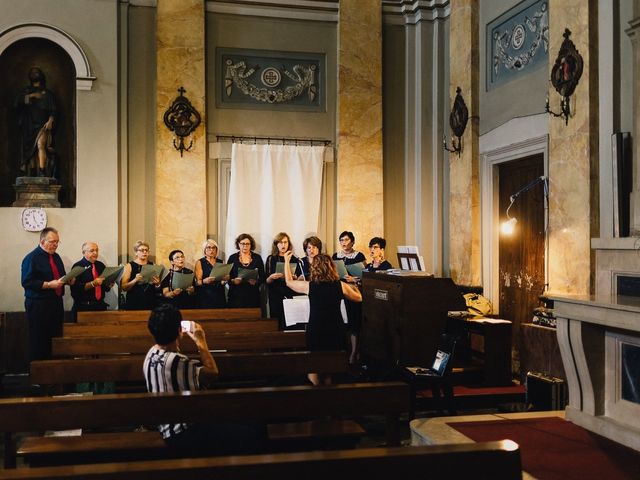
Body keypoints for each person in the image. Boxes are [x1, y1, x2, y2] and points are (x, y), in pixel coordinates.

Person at [143, 304, 262, 455]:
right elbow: (212, 373)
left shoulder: (151, 353)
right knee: (252, 433)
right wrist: (201, 341)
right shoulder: (178, 361)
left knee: (244, 422)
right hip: (183, 432)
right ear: (179, 331)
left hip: (167, 425)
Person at [284, 251, 362, 385]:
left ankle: (314, 396)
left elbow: (289, 282)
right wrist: (355, 285)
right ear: (332, 267)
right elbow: (359, 298)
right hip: (335, 329)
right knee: (331, 367)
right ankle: (329, 398)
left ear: (314, 268)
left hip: (316, 329)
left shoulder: (310, 286)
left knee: (314, 364)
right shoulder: (340, 285)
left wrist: (286, 261)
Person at [21, 227, 70, 360]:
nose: (55, 245)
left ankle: (53, 373)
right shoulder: (31, 258)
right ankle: (39, 376)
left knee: (55, 338)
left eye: (57, 242)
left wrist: (68, 279)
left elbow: (60, 276)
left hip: (55, 303)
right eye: (52, 241)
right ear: (42, 241)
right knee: (39, 339)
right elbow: (27, 282)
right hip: (39, 304)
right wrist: (49, 285)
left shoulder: (56, 257)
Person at [14, 67, 58, 178]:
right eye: (32, 72)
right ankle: (33, 172)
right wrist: (31, 96)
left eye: (37, 72)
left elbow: (53, 109)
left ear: (41, 75)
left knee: (40, 145)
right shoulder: (26, 91)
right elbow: (17, 104)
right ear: (30, 76)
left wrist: (50, 120)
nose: (35, 74)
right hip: (28, 124)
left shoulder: (47, 93)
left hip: (41, 124)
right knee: (31, 150)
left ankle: (42, 171)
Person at [332, 231, 366, 365]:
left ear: (352, 241)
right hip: (339, 292)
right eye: (341, 240)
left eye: (346, 240)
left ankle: (354, 353)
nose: (344, 243)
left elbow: (364, 275)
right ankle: (343, 352)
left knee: (354, 323)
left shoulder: (359, 255)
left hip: (353, 291)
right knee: (341, 323)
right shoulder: (336, 256)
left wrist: (354, 278)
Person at [265, 232, 302, 329]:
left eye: (285, 242)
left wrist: (294, 278)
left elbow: (297, 279)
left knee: (290, 321)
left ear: (289, 244)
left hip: (289, 293)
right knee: (276, 320)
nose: (283, 245)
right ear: (276, 244)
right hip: (275, 293)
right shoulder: (271, 259)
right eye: (280, 242)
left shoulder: (294, 259)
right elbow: (266, 281)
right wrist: (271, 277)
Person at [70, 242, 112, 317]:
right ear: (83, 252)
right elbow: (75, 289)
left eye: (97, 250)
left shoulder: (101, 265)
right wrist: (93, 284)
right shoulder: (77, 266)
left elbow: (105, 288)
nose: (95, 253)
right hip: (83, 308)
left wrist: (109, 284)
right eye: (92, 251)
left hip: (100, 306)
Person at [227, 233, 265, 308]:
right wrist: (234, 281)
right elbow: (227, 277)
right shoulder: (232, 258)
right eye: (242, 244)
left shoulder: (257, 258)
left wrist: (256, 282)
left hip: (252, 296)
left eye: (247, 244)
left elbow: (263, 277)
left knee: (252, 318)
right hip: (235, 295)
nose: (245, 246)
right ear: (238, 244)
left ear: (251, 245)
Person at [120, 240, 161, 310]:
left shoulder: (153, 265)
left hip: (150, 300)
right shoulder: (129, 266)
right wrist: (135, 280)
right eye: (142, 250)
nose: (144, 252)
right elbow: (124, 287)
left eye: (146, 250)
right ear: (136, 252)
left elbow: (157, 288)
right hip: (134, 301)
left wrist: (157, 284)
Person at [194, 239, 228, 308]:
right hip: (206, 294)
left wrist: (225, 279)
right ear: (204, 249)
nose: (211, 250)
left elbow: (225, 278)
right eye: (209, 247)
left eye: (213, 248)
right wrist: (204, 281)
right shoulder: (200, 262)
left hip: (219, 293)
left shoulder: (221, 262)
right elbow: (198, 282)